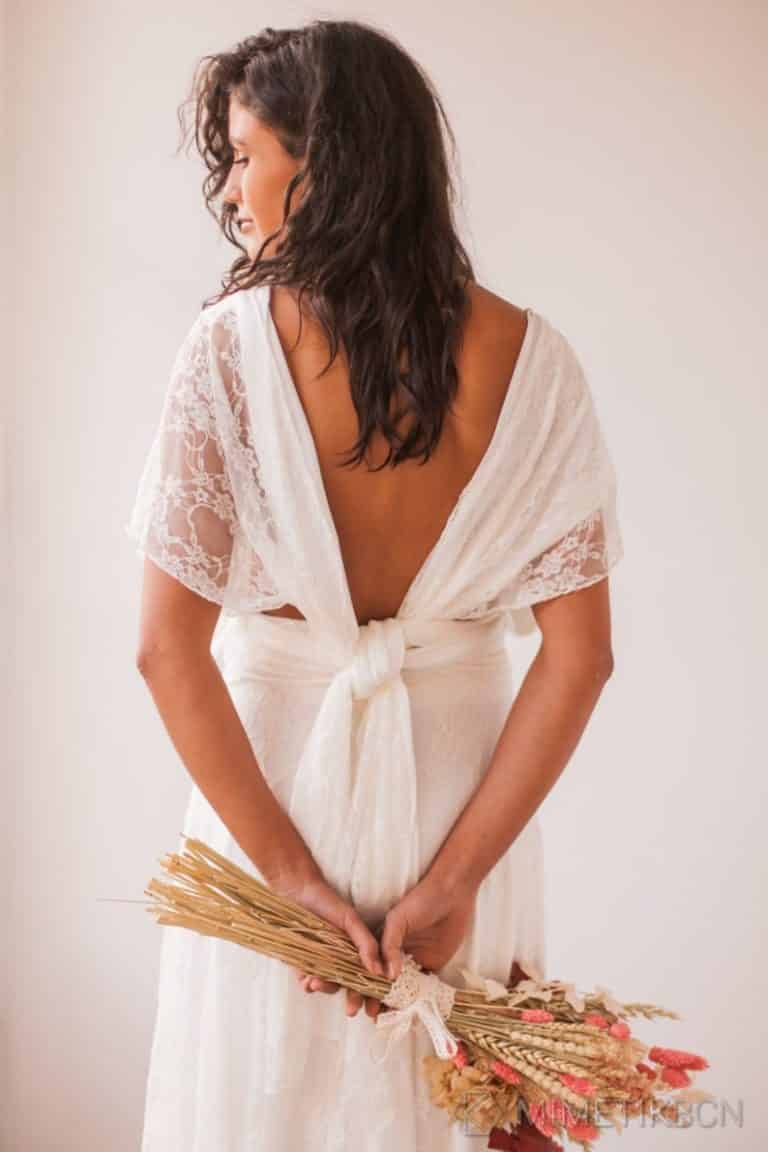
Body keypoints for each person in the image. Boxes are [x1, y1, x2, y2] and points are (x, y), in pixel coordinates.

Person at [126, 18, 623, 1151]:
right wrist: (456, 881)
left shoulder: (228, 353)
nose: (234, 190)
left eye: (245, 156)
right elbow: (582, 656)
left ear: (323, 162)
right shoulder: (533, 360)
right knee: (456, 1110)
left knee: (260, 1107)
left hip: (272, 803)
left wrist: (288, 879)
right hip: (463, 810)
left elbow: (164, 649)